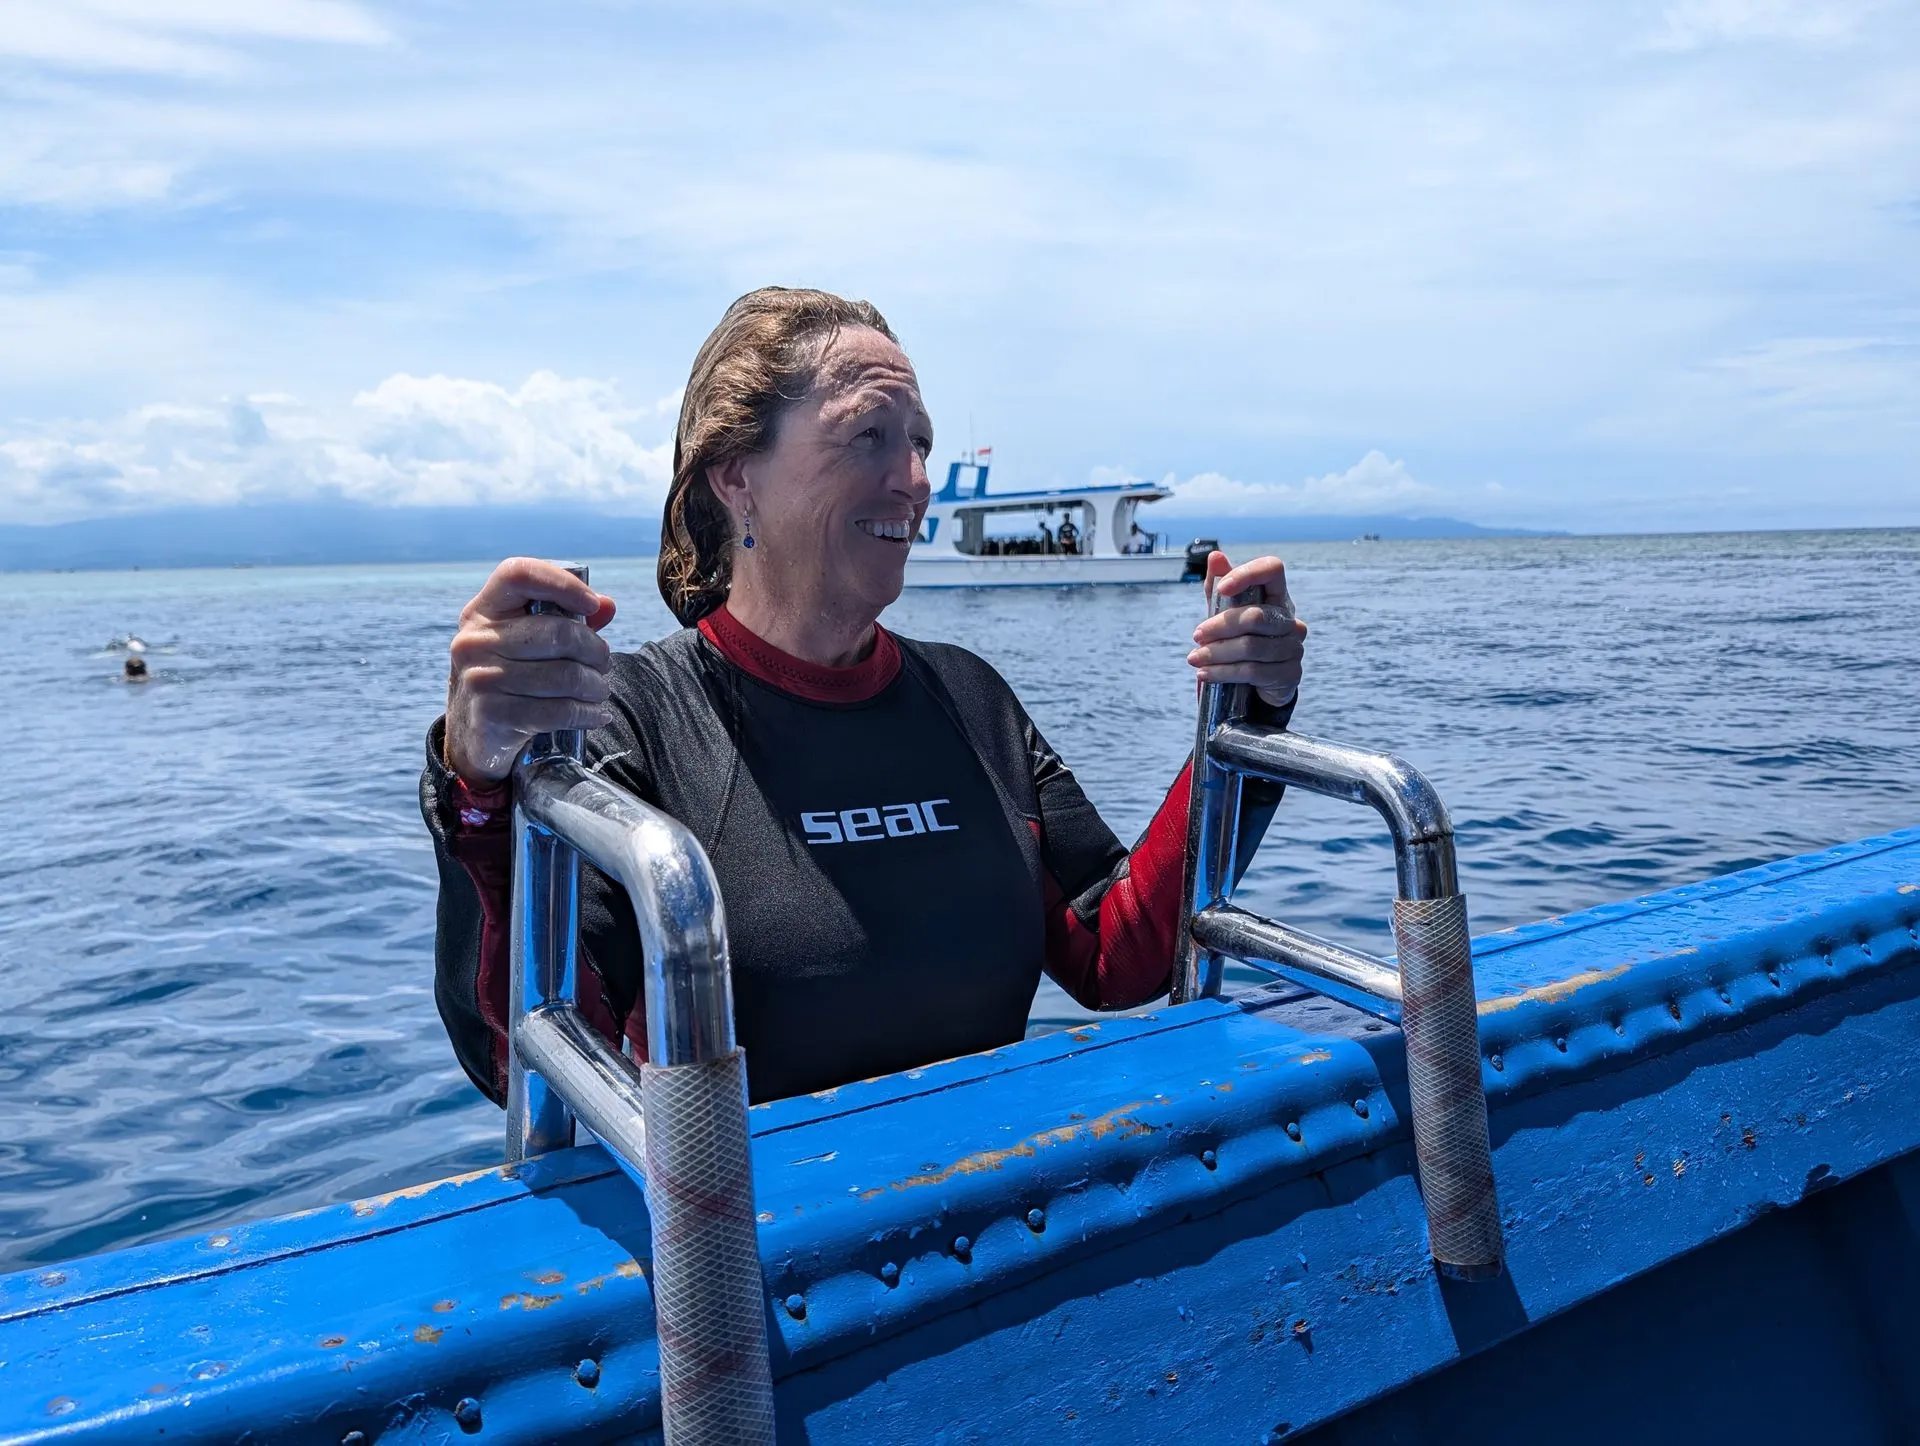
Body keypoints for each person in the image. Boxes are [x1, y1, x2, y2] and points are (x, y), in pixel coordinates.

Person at [422, 287, 1307, 1106]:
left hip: (992, 1214)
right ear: (736, 476)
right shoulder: (630, 724)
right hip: (748, 1252)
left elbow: (1120, 953)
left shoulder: (970, 698)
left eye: (919, 442)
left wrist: (1242, 716)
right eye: (870, 436)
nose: (916, 478)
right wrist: (484, 798)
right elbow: (531, 1063)